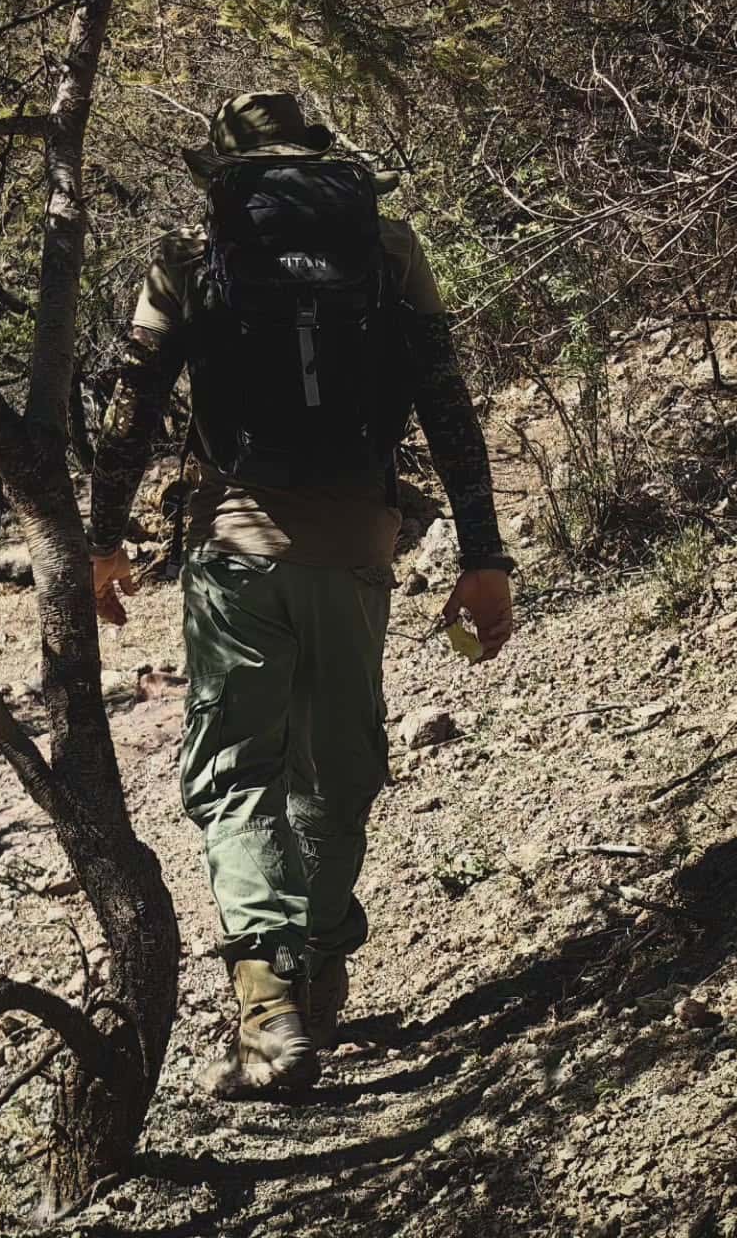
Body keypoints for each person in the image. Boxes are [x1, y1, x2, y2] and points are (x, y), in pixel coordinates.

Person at [88, 92, 513, 1096]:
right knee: (337, 767)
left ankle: (270, 1008)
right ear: (320, 158)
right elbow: (446, 402)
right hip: (357, 548)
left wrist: (102, 539)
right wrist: (484, 552)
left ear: (224, 170)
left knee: (239, 773)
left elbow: (131, 402)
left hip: (236, 551)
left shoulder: (191, 258)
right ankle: (317, 983)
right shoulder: (389, 249)